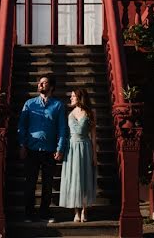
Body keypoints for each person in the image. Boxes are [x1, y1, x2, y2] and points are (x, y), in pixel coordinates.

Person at [18, 75, 67, 222]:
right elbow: (22, 126)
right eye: (40, 83)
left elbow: (62, 128)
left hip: (50, 151)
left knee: (47, 184)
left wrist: (60, 148)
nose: (40, 85)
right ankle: (29, 214)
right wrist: (22, 145)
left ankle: (44, 213)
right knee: (30, 183)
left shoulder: (58, 105)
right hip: (31, 150)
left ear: (51, 87)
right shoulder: (29, 104)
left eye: (44, 83)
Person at [58, 88, 97, 222]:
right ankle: (76, 212)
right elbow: (66, 133)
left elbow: (93, 136)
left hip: (85, 147)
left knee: (84, 177)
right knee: (74, 178)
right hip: (72, 149)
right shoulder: (69, 114)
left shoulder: (90, 113)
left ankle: (85, 211)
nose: (71, 98)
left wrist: (94, 155)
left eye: (73, 96)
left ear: (80, 97)